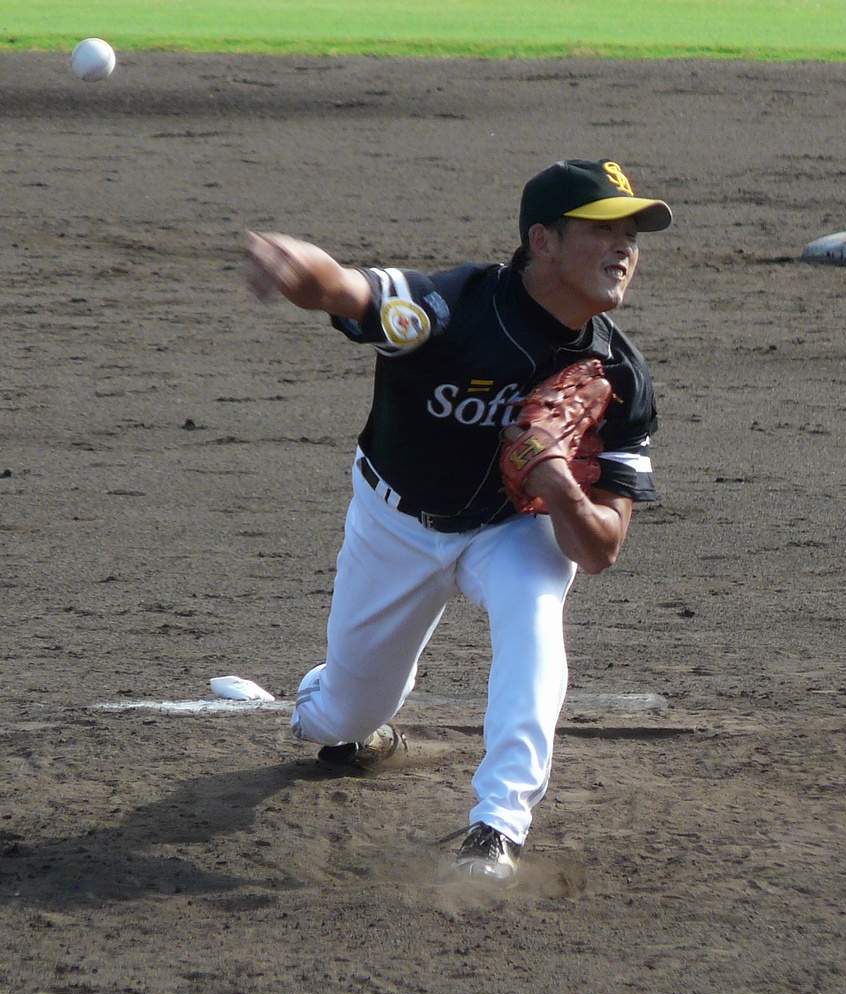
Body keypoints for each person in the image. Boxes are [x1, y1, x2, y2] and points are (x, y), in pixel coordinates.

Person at [244, 158, 671, 882]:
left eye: (631, 232)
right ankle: (339, 707)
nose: (623, 247)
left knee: (536, 617)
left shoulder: (619, 378)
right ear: (543, 241)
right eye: (602, 229)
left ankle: (497, 826)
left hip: (513, 526)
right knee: (343, 718)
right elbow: (349, 291)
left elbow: (600, 549)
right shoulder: (453, 307)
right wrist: (297, 268)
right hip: (396, 523)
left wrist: (558, 485)